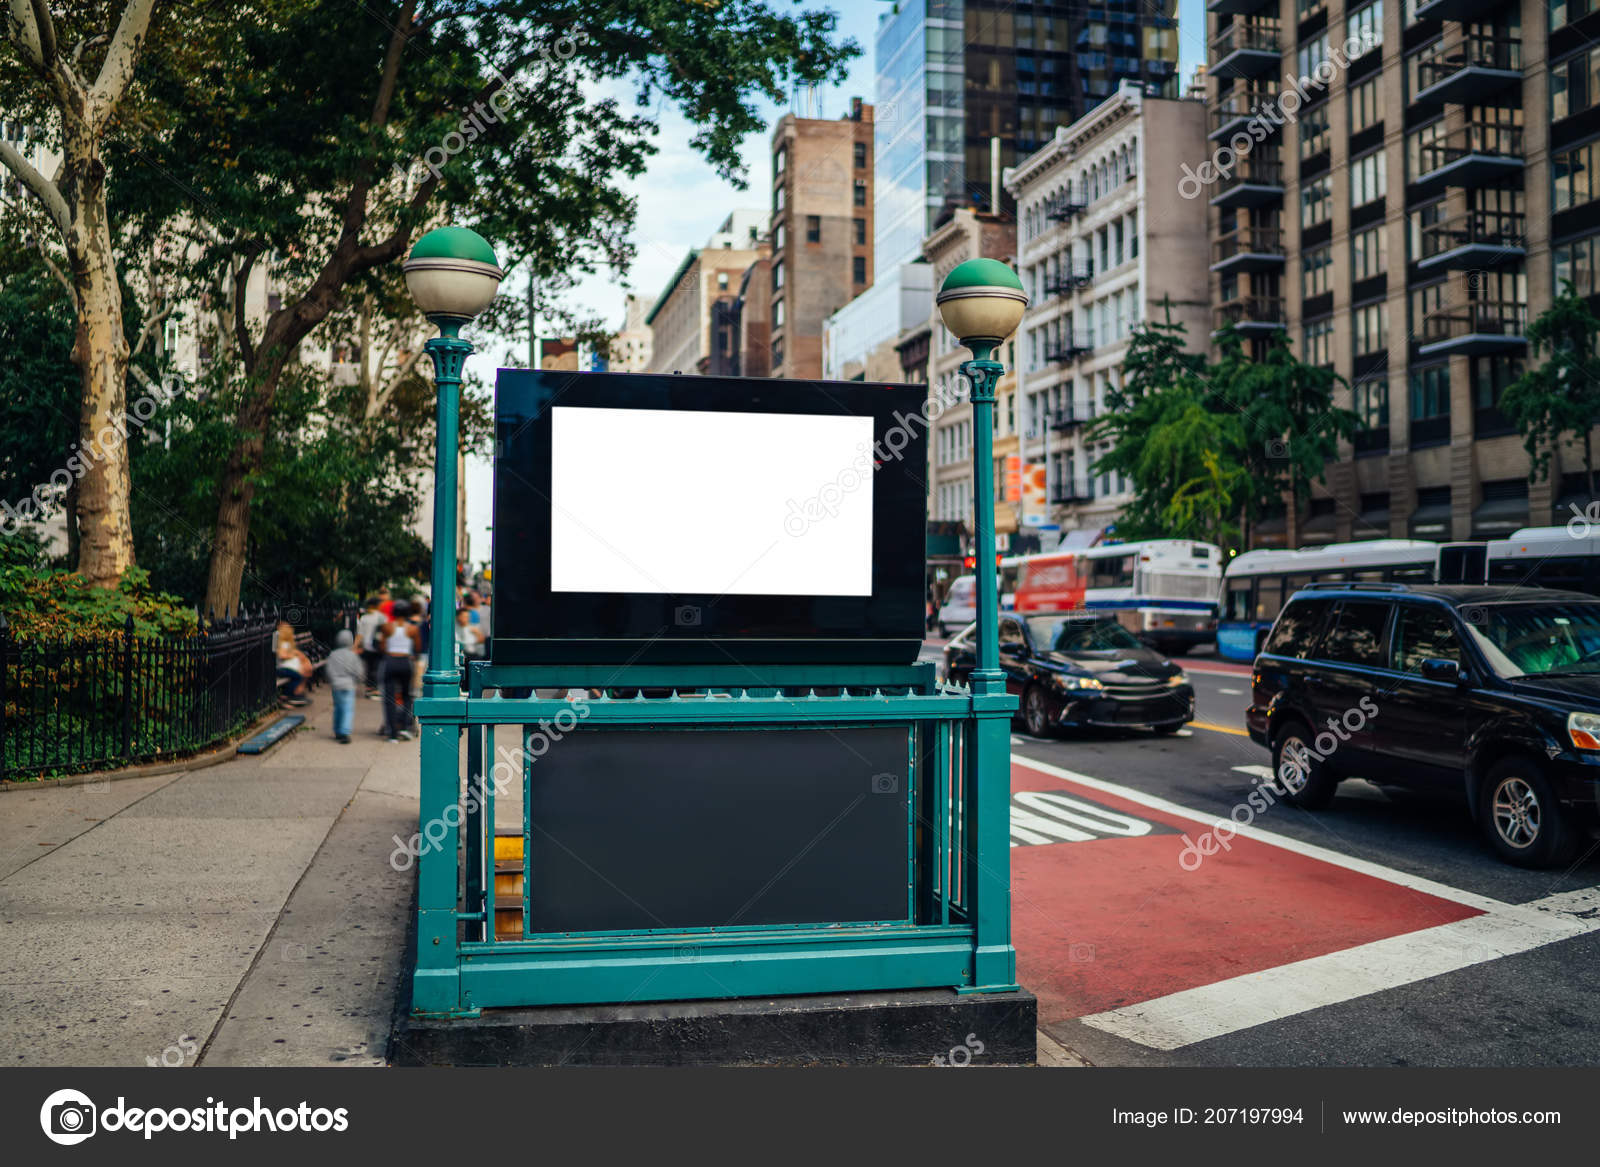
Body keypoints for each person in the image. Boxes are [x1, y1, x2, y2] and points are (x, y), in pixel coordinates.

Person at [381, 601, 421, 741]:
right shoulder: (412, 629)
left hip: (391, 661)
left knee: (389, 698)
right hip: (405, 662)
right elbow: (417, 647)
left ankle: (392, 733)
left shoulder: (387, 627)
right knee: (407, 695)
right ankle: (405, 727)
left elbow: (382, 646)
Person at [326, 629, 364, 744]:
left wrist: (332, 681)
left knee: (338, 707)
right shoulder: (352, 655)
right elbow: (358, 671)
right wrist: (357, 681)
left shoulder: (333, 655)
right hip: (349, 684)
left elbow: (329, 670)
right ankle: (344, 731)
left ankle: (337, 729)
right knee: (347, 708)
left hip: (336, 685)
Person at [355, 596, 386, 699]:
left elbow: (360, 634)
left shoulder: (364, 618)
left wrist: (355, 646)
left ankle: (369, 688)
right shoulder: (382, 617)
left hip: (367, 647)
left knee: (369, 667)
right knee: (377, 668)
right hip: (378, 647)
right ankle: (376, 690)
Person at [275, 622, 311, 707]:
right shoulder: (282, 642)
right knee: (298, 676)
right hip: (282, 668)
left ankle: (296, 695)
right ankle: (288, 695)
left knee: (301, 674)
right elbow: (282, 655)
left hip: (286, 667)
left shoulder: (286, 642)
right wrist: (293, 654)